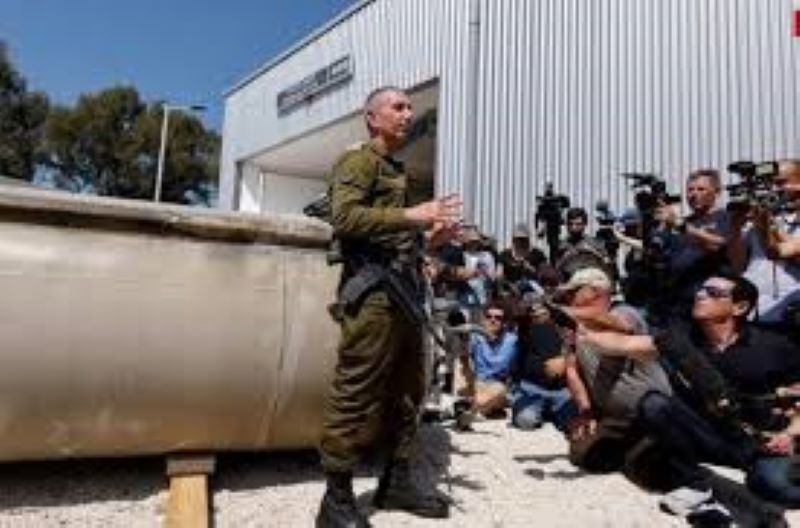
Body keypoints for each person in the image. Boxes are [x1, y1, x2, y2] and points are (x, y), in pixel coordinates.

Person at [316, 86, 461, 528]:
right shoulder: (357, 160)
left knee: (408, 392)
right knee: (354, 392)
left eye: (409, 107)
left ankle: (396, 481)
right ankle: (335, 501)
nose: (407, 113)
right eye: (398, 107)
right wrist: (412, 216)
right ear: (372, 118)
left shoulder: (395, 171)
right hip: (373, 297)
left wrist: (428, 239)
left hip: (404, 292)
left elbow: (395, 237)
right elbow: (344, 217)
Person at [580, 274, 800, 506]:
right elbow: (624, 344)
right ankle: (695, 483)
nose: (700, 295)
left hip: (756, 442)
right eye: (701, 289)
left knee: (775, 487)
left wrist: (790, 434)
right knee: (654, 405)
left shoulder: (773, 346)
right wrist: (583, 334)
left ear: (740, 307)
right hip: (702, 436)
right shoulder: (681, 338)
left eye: (713, 293)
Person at [729, 159, 800, 330]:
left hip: (789, 312)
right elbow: (737, 267)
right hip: (752, 311)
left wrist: (767, 224)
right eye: (769, 183)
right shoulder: (760, 217)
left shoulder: (766, 219)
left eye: (780, 183)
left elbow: (780, 252)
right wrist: (736, 228)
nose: (773, 189)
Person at [657, 168, 731, 316]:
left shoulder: (727, 217)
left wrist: (682, 227)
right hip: (677, 302)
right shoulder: (683, 222)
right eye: (690, 190)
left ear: (717, 192)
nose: (693, 194)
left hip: (709, 301)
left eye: (701, 189)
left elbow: (720, 245)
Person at [463, 302, 518, 417]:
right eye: (489, 317)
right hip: (478, 382)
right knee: (460, 364)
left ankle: (471, 411)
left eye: (498, 318)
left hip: (499, 385)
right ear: (483, 319)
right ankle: (482, 408)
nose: (492, 320)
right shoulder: (476, 338)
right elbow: (464, 359)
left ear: (504, 323)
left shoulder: (513, 341)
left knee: (490, 394)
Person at [497, 222, 547, 289]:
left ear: (528, 239)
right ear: (513, 239)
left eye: (524, 239)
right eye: (518, 239)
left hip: (532, 290)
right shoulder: (504, 255)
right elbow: (499, 275)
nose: (521, 242)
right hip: (510, 290)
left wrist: (531, 269)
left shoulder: (538, 254)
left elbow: (544, 275)